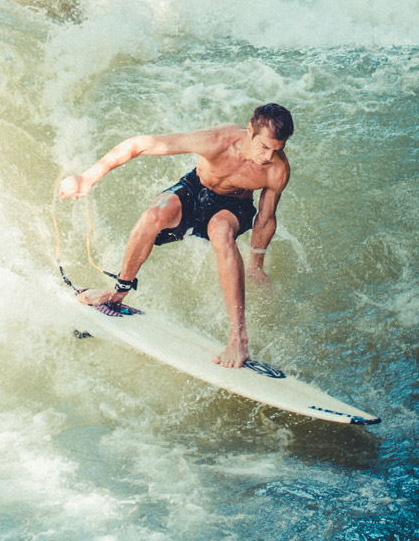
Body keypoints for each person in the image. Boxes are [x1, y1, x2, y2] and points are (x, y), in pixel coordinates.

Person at [59, 102, 294, 368]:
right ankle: (117, 292)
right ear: (250, 130)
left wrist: (256, 265)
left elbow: (265, 219)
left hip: (233, 206)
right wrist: (88, 177)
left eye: (277, 149)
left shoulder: (277, 170)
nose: (267, 157)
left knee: (221, 232)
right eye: (263, 147)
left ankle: (238, 339)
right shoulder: (215, 141)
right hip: (197, 189)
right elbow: (140, 144)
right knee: (153, 216)